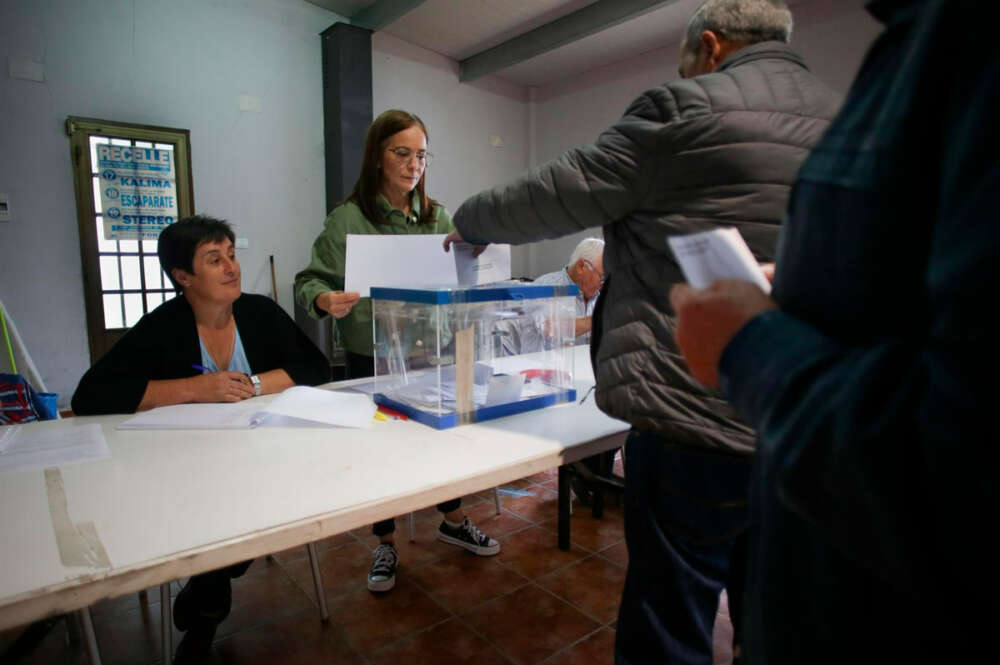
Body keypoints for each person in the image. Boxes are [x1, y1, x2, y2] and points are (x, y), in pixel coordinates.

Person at [442, 1, 841, 662]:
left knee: (670, 619)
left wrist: (471, 219)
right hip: (802, 419)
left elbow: (552, 192)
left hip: (692, 414)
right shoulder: (849, 119)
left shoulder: (681, 111)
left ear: (710, 46)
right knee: (775, 623)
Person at [669, 0, 996, 662]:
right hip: (813, 566)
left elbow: (965, 471)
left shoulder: (969, 40)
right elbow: (901, 280)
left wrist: (746, 343)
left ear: (709, 49)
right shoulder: (898, 52)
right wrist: (796, 284)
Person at [71, 215, 330, 663]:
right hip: (186, 468)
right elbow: (91, 395)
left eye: (231, 255)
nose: (231, 267)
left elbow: (315, 368)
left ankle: (209, 593)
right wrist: (195, 389)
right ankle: (209, 604)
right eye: (214, 260)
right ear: (183, 277)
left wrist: (249, 384)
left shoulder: (259, 312)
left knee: (265, 509)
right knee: (214, 514)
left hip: (261, 457)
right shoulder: (164, 326)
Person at [294, 109, 500, 594]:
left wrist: (479, 258)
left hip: (432, 350)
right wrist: (325, 299)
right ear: (378, 157)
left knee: (440, 442)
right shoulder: (348, 218)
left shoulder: (437, 216)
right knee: (380, 456)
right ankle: (385, 541)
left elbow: (461, 270)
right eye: (402, 153)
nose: (413, 165)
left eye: (422, 155)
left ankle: (452, 520)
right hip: (375, 355)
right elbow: (309, 281)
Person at [533, 237, 605, 343]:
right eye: (601, 277)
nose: (603, 285)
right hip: (547, 359)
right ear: (581, 266)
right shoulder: (546, 286)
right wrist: (599, 319)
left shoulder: (599, 296)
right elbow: (547, 328)